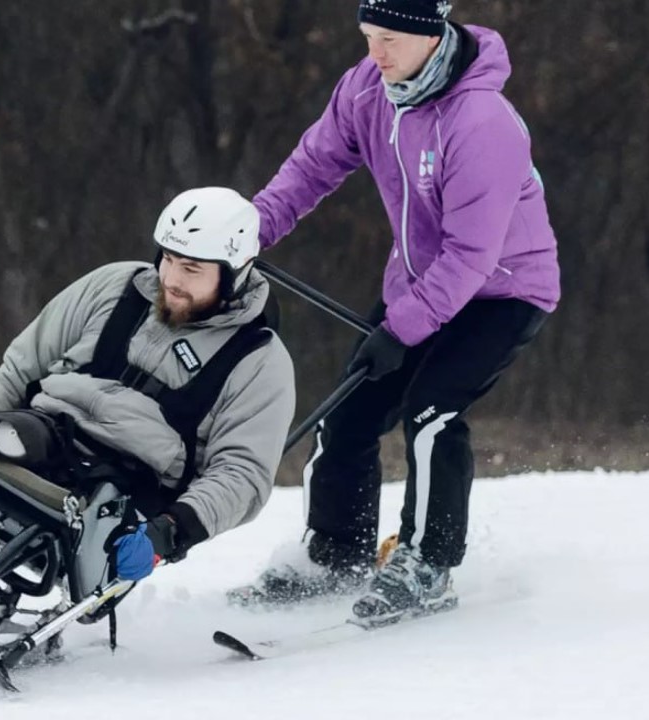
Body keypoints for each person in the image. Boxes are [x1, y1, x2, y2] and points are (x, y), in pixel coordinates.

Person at [234, 0, 560, 621]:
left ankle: (428, 565)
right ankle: (335, 555)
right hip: (418, 281)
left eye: (389, 38)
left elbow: (471, 256)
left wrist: (401, 328)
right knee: (348, 416)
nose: (375, 53)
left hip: (504, 290)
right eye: (366, 36)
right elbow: (312, 166)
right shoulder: (367, 89)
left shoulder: (482, 121)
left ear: (432, 35)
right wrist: (245, 234)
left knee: (432, 410)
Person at [0, 187, 295, 581]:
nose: (172, 279)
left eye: (192, 269)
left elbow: (241, 474)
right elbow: (21, 367)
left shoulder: (260, 362)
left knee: (97, 504)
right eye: (168, 258)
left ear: (236, 272)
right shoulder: (114, 287)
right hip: (45, 434)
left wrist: (169, 532)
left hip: (129, 481)